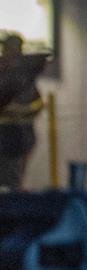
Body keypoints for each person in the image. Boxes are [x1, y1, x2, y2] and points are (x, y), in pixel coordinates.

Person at [0, 35, 44, 190]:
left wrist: (21, 112)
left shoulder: (25, 75)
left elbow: (37, 103)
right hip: (5, 132)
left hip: (20, 132)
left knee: (15, 178)